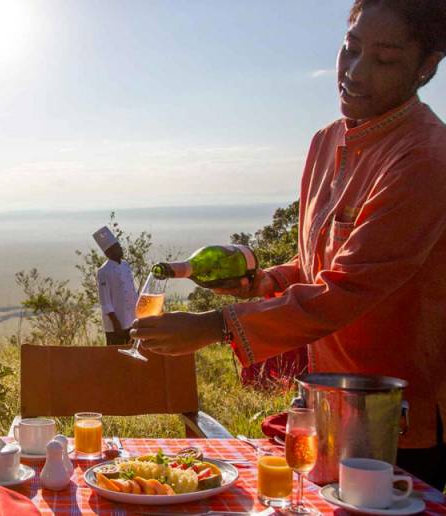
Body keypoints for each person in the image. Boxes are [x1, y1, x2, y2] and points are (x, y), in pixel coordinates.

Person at [130, 0, 446, 489]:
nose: (355, 72)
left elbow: (348, 288)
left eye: (384, 60)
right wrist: (265, 282)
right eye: (351, 48)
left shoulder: (425, 158)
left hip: (399, 415)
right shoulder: (327, 142)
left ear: (426, 67)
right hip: (329, 402)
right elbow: (320, 260)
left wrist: (216, 327)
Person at [93, 226, 138, 346]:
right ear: (108, 252)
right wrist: (116, 324)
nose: (120, 249)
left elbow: (132, 291)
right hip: (115, 325)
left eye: (119, 246)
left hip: (131, 319)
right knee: (115, 355)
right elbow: (105, 302)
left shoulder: (125, 265)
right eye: (116, 247)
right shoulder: (104, 271)